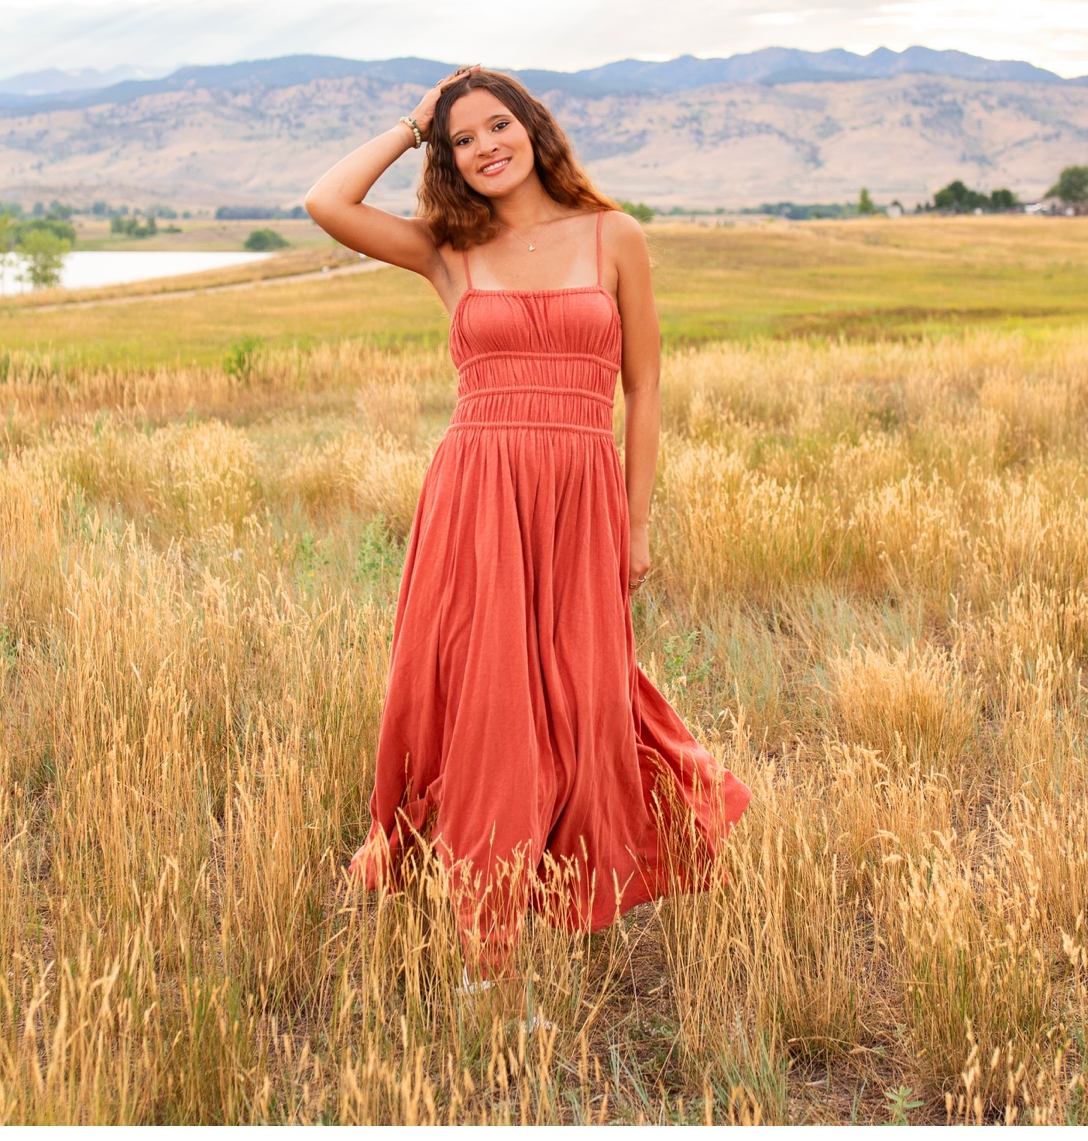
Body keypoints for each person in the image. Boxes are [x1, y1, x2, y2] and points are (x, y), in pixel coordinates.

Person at [303, 65, 752, 974]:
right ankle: (483, 925)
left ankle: (566, 877)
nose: (485, 149)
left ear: (534, 129)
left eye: (497, 126)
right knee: (485, 702)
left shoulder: (612, 235)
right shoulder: (447, 249)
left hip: (580, 498)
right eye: (462, 140)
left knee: (585, 697)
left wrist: (636, 524)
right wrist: (411, 122)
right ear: (448, 160)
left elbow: (646, 386)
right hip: (476, 498)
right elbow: (325, 201)